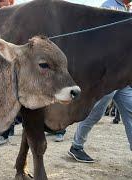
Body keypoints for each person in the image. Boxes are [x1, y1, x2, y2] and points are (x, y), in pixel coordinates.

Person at [68, 0, 132, 163]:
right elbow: (102, 39)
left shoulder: (127, 8)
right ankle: (76, 146)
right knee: (95, 113)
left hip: (123, 76)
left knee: (131, 111)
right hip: (108, 76)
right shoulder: (108, 6)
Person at [0, 0, 16, 146]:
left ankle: (5, 133)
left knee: (9, 100)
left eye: (2, 1)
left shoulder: (18, 16)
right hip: (1, 66)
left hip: (14, 66)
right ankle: (5, 131)